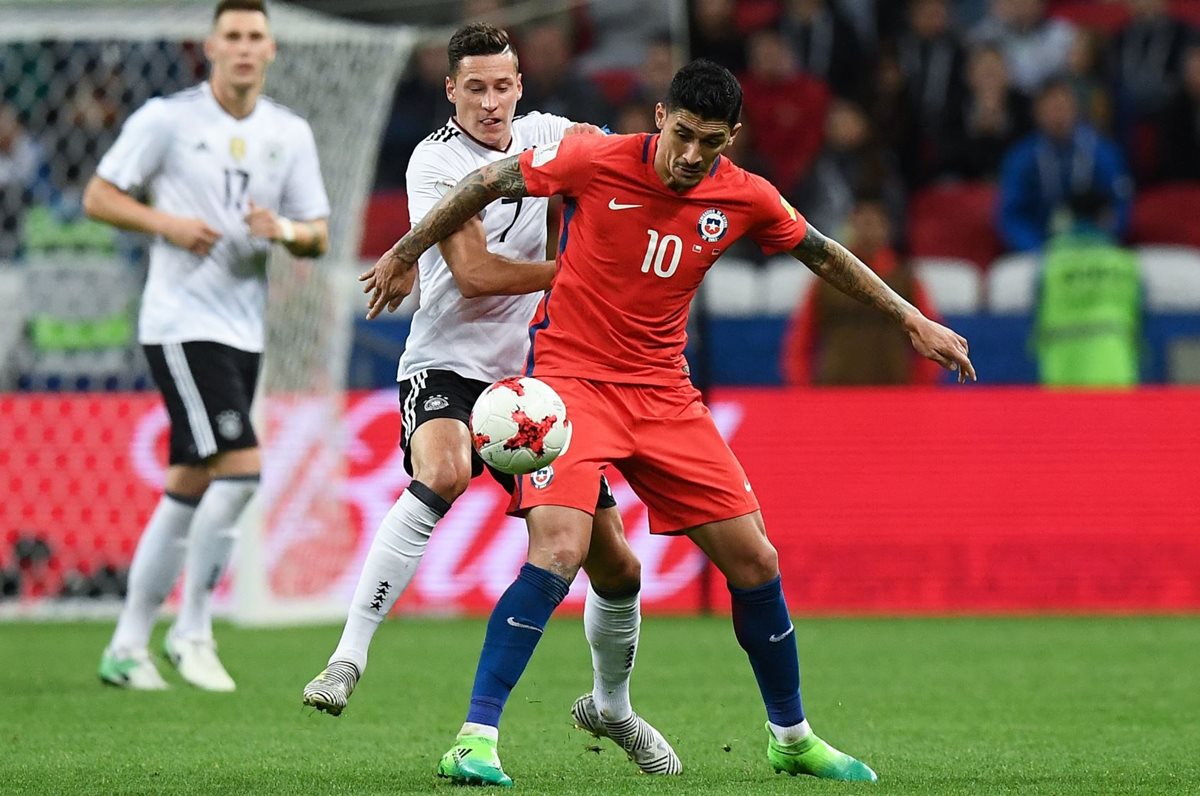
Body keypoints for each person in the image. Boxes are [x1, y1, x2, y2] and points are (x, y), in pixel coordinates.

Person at [362, 58, 975, 785]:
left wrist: (911, 318)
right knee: (558, 551)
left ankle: (792, 736)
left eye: (709, 142)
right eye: (681, 134)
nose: (690, 156)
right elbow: (483, 184)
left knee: (757, 563)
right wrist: (406, 250)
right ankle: (475, 738)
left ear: (731, 139)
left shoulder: (742, 195)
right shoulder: (595, 159)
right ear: (659, 117)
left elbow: (822, 252)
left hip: (664, 396)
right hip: (573, 387)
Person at [301, 23, 680, 778]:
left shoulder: (546, 134)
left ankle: (614, 705)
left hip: (533, 386)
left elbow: (629, 157)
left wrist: (673, 151)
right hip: (444, 366)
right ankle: (348, 656)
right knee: (442, 472)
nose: (489, 101)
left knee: (619, 568)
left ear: (519, 86)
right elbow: (474, 274)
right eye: (473, 87)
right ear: (450, 90)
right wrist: (582, 273)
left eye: (501, 85)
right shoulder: (435, 160)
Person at [84, 0, 330, 691]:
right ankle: (192, 631)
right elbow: (98, 196)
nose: (245, 48)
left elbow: (318, 235)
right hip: (180, 320)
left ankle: (127, 645)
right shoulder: (168, 119)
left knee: (190, 482)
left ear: (271, 51)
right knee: (243, 470)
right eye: (233, 37)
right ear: (211, 47)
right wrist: (166, 222)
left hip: (241, 327)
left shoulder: (290, 132)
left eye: (256, 36)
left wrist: (278, 230)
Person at [780, 197, 944, 385]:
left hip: (894, 393)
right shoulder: (825, 279)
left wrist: (919, 392)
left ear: (887, 228)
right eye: (862, 223)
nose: (868, 231)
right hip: (836, 392)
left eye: (874, 224)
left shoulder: (905, 279)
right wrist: (803, 388)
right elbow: (801, 337)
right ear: (851, 226)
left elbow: (931, 337)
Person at [997, 77, 1132, 253]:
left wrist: (1102, 239)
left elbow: (1120, 203)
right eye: (1051, 108)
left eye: (1063, 106)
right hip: (1040, 248)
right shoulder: (1022, 157)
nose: (1058, 115)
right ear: (1037, 112)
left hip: (1095, 245)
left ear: (1076, 109)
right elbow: (1011, 214)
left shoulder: (1102, 151)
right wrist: (1036, 249)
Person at [1034, 191, 1142, 387]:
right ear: (1106, 217)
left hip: (1061, 370)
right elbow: (1141, 322)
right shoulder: (1125, 263)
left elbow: (1036, 321)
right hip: (1115, 368)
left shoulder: (1050, 264)